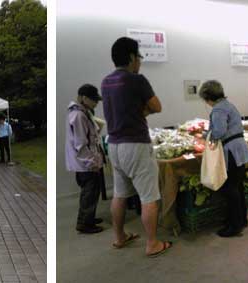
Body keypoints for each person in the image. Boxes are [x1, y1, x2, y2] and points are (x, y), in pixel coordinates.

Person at [102, 37, 171, 257]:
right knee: (149, 196)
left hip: (113, 145)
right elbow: (157, 106)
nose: (140, 61)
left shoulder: (106, 82)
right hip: (136, 145)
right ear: (131, 57)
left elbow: (121, 109)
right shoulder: (136, 80)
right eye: (139, 56)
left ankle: (119, 237)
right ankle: (152, 244)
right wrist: (144, 110)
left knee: (120, 194)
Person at [200, 80, 248, 237]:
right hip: (240, 149)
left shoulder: (218, 109)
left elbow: (219, 132)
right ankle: (241, 219)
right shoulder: (228, 105)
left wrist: (203, 135)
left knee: (229, 188)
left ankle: (234, 226)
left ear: (208, 97)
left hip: (230, 151)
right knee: (238, 186)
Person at [66, 84, 106, 234]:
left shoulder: (82, 113)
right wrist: (92, 163)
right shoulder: (78, 116)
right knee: (89, 192)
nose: (96, 103)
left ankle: (88, 218)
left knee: (91, 192)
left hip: (86, 162)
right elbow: (81, 144)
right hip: (86, 164)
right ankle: (85, 223)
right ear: (83, 98)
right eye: (94, 100)